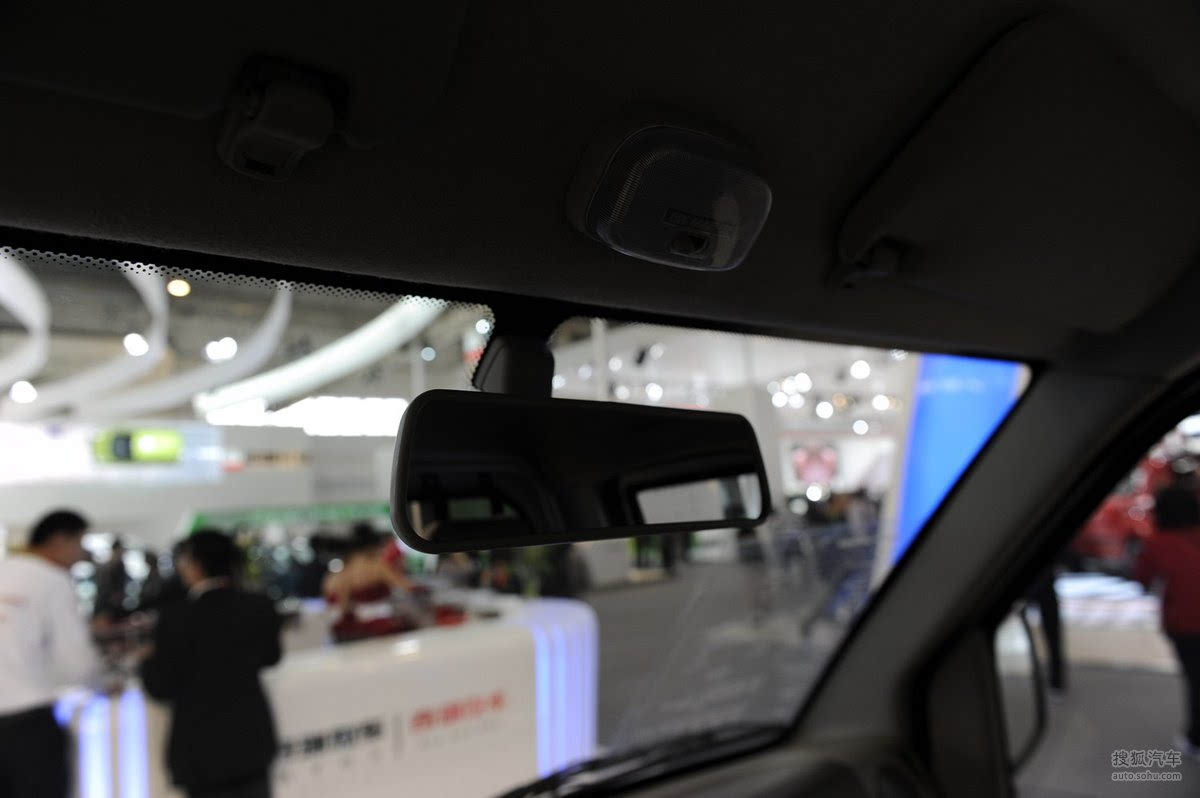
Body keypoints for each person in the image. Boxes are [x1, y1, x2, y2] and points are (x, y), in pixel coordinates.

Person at [140, 530, 282, 798]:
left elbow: (161, 687)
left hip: (201, 752)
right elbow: (271, 657)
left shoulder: (175, 618)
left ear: (196, 564)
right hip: (251, 742)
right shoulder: (259, 605)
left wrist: (146, 661)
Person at [0, 510, 102, 798]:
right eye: (79, 543)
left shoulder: (4, 571)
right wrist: (101, 683)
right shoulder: (52, 580)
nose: (81, 554)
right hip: (27, 725)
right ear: (60, 540)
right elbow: (77, 663)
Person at [1133, 485, 1200, 757]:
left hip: (1184, 623)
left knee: (1196, 679)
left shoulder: (1158, 543)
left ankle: (1196, 738)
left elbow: (1142, 579)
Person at [323, 523, 414, 642]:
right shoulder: (377, 566)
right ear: (373, 545)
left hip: (359, 628)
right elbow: (406, 587)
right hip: (383, 625)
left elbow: (343, 605)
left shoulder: (343, 573)